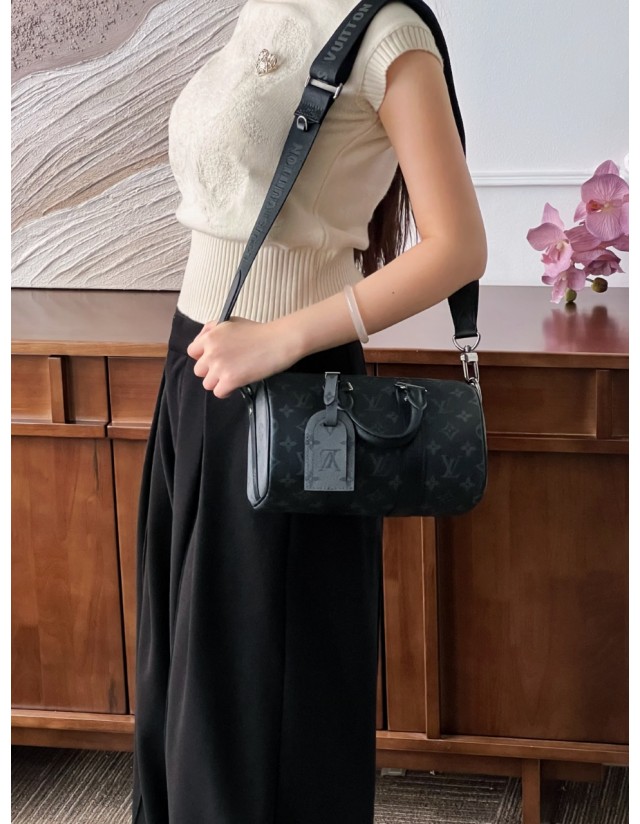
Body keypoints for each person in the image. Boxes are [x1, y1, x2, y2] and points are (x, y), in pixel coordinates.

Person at [131, 0, 487, 821]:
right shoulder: (262, 7)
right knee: (186, 682)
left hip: (294, 397)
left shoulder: (389, 34)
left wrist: (280, 339)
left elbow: (459, 245)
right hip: (197, 371)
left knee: (263, 703)